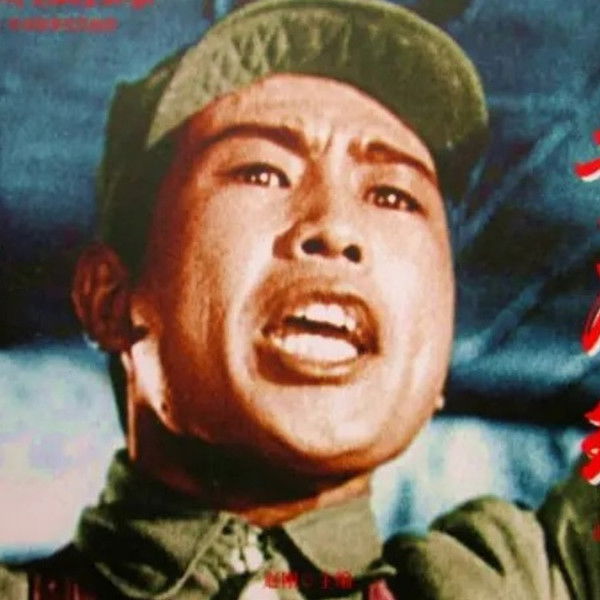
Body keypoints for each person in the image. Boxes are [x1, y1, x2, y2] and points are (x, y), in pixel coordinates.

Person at [1, 0, 597, 598]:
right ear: (109, 300)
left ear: (437, 349)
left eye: (393, 196)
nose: (336, 228)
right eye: (261, 172)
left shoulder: (531, 579)